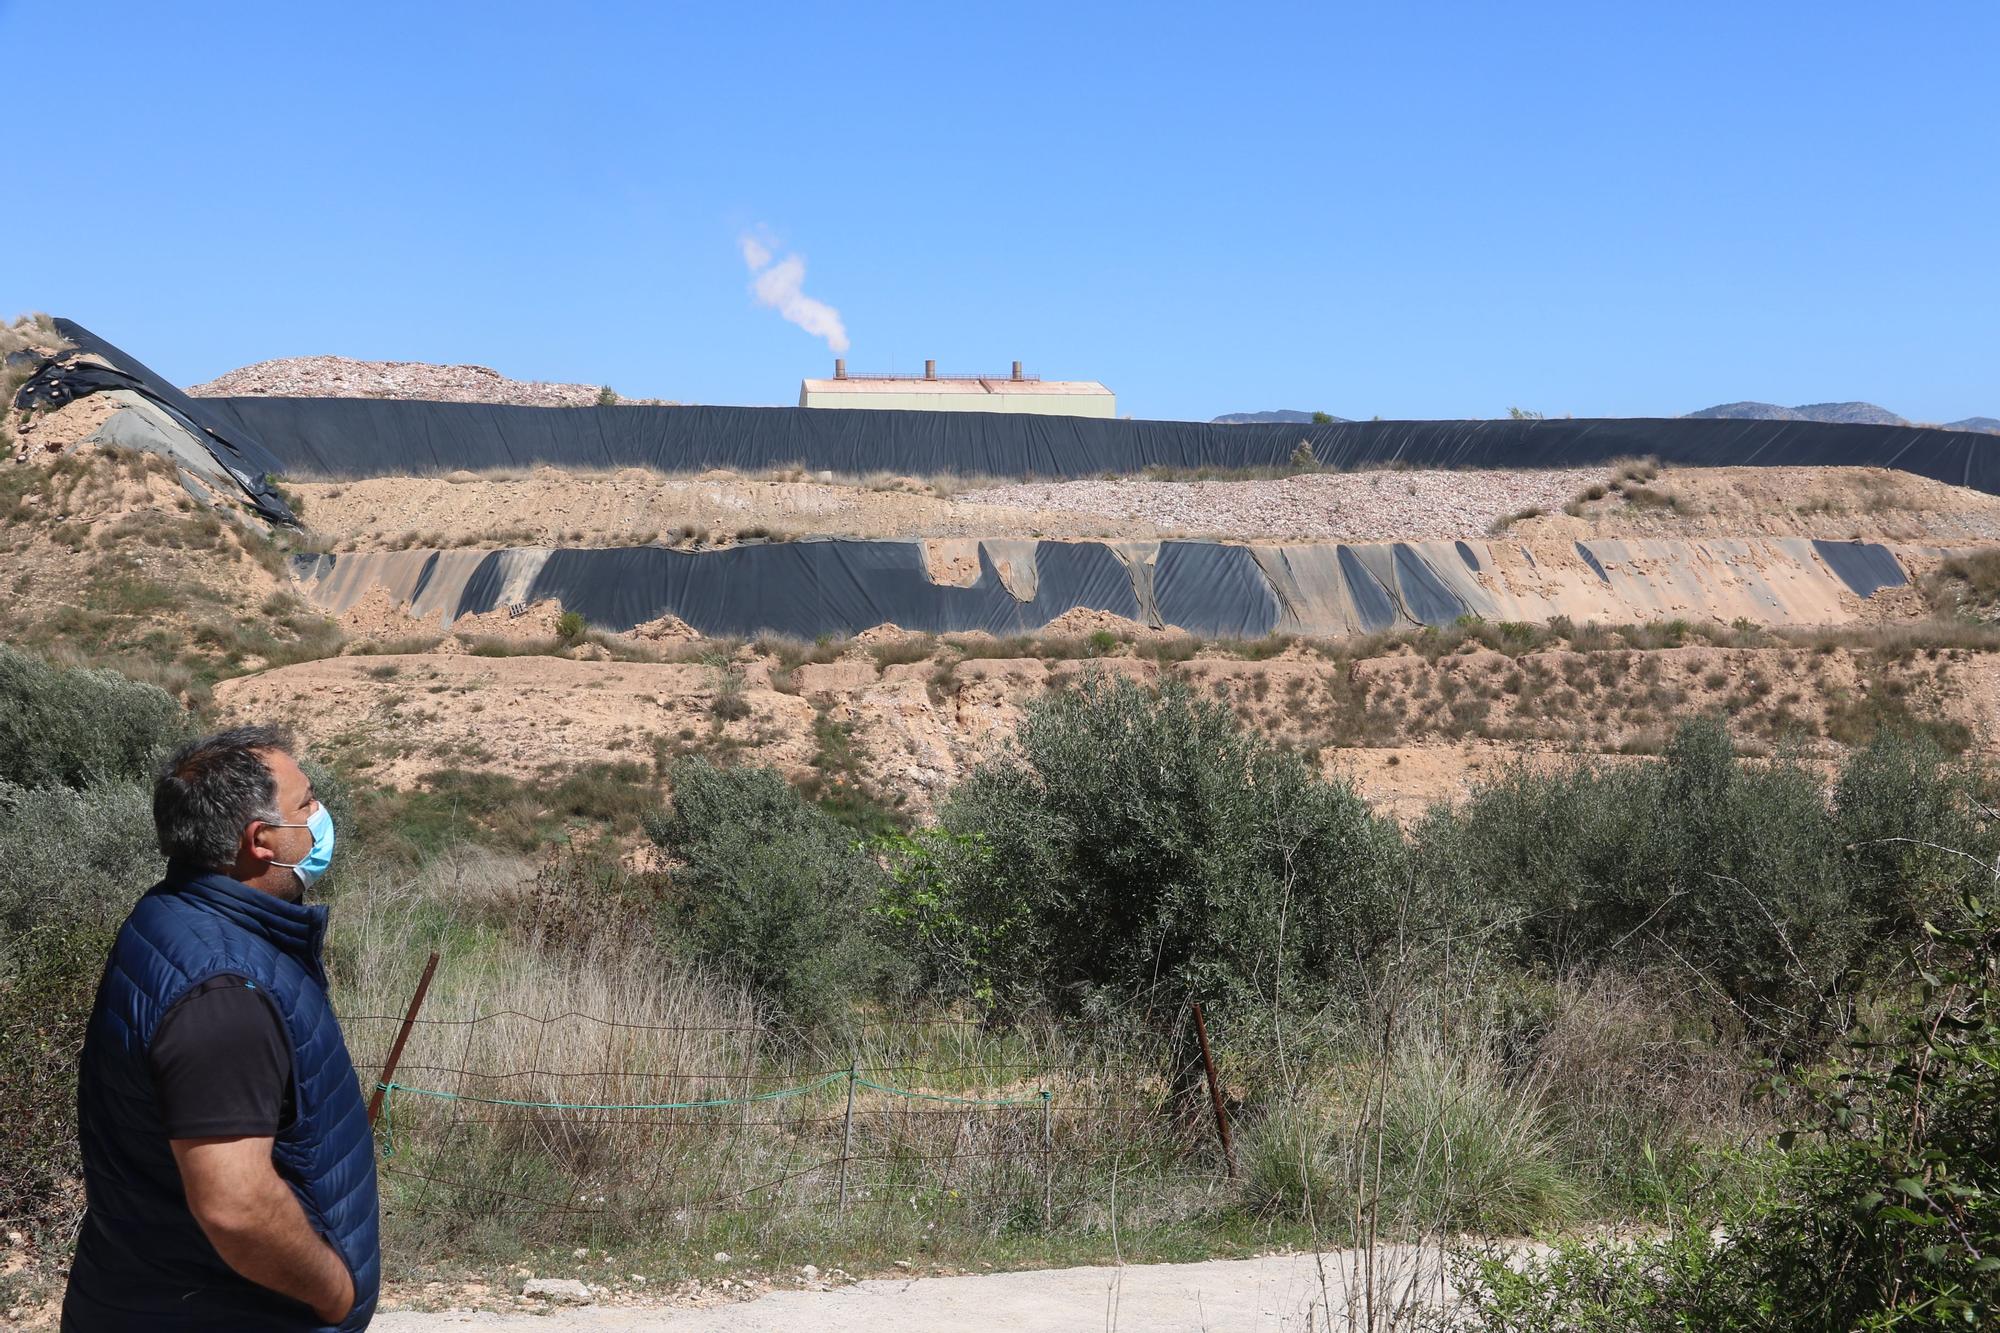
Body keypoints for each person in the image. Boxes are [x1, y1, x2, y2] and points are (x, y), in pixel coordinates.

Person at [61, 725, 379, 1331]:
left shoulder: (171, 914)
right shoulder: (223, 992)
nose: (319, 815)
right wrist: (336, 1292)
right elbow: (236, 1206)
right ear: (261, 840)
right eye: (306, 803)